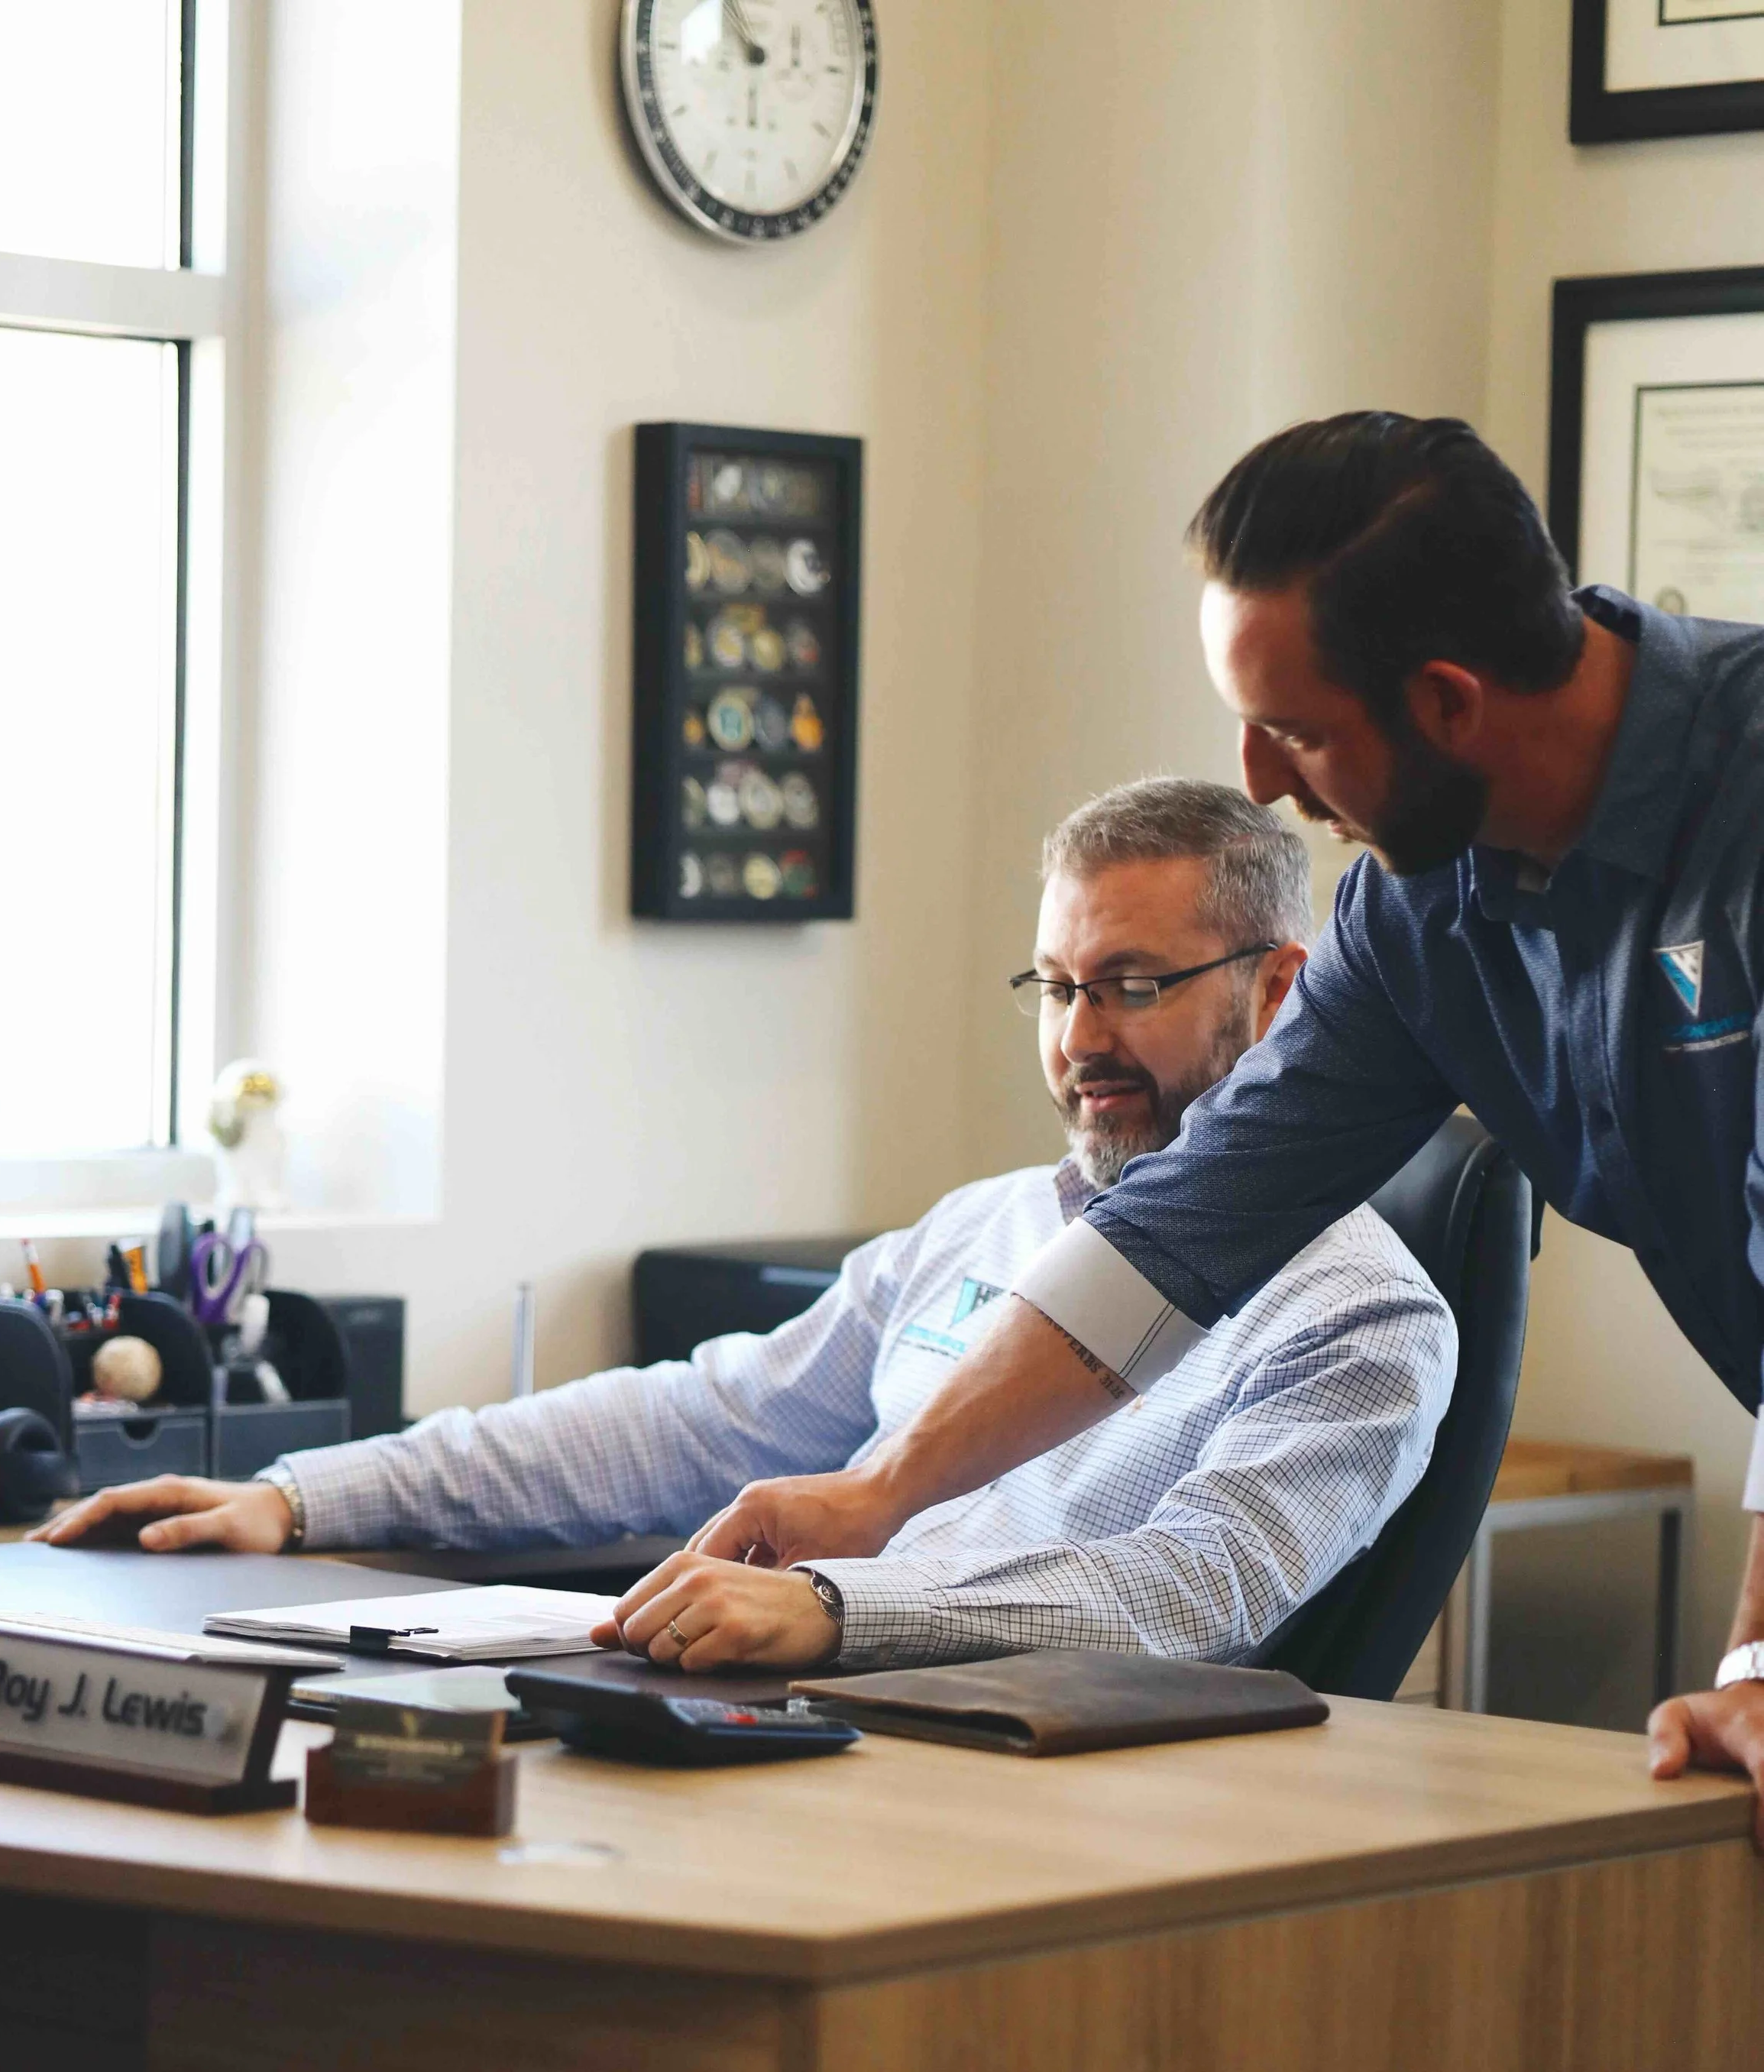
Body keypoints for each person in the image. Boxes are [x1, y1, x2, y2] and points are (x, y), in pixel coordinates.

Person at [688, 413, 1764, 1811]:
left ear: (1448, 703)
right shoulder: (1420, 914)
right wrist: (882, 1494)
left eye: (1296, 731)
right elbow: (1177, 1236)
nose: (1259, 779)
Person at [32, 779, 1455, 1675]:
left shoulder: (1361, 1314)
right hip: (817, 1731)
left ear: (1278, 993)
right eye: (1053, 986)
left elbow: (1194, 1591)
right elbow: (704, 1421)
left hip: (1068, 1813)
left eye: (1131, 984)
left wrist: (841, 1608)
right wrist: (305, 1496)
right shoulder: (980, 1230)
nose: (1079, 1037)